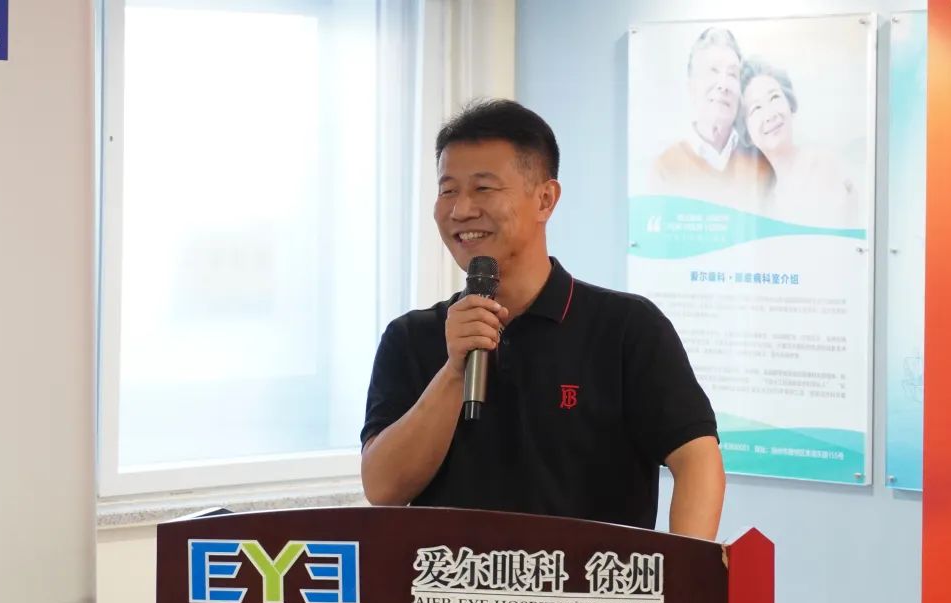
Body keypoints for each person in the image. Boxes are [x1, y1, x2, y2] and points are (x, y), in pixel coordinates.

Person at [361, 99, 725, 539]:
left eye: (483, 188)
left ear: (545, 199)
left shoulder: (627, 328)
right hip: (453, 580)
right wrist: (454, 370)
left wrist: (685, 568)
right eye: (448, 190)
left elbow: (697, 458)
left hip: (590, 581)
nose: (460, 210)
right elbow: (383, 489)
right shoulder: (410, 337)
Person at [652, 27, 768, 208]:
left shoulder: (760, 164)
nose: (723, 85)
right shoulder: (665, 168)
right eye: (713, 71)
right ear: (691, 87)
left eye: (732, 74)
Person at [740, 57, 859, 227]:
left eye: (774, 97)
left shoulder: (822, 165)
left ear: (790, 105)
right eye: (756, 108)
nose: (770, 115)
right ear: (747, 131)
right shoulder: (764, 196)